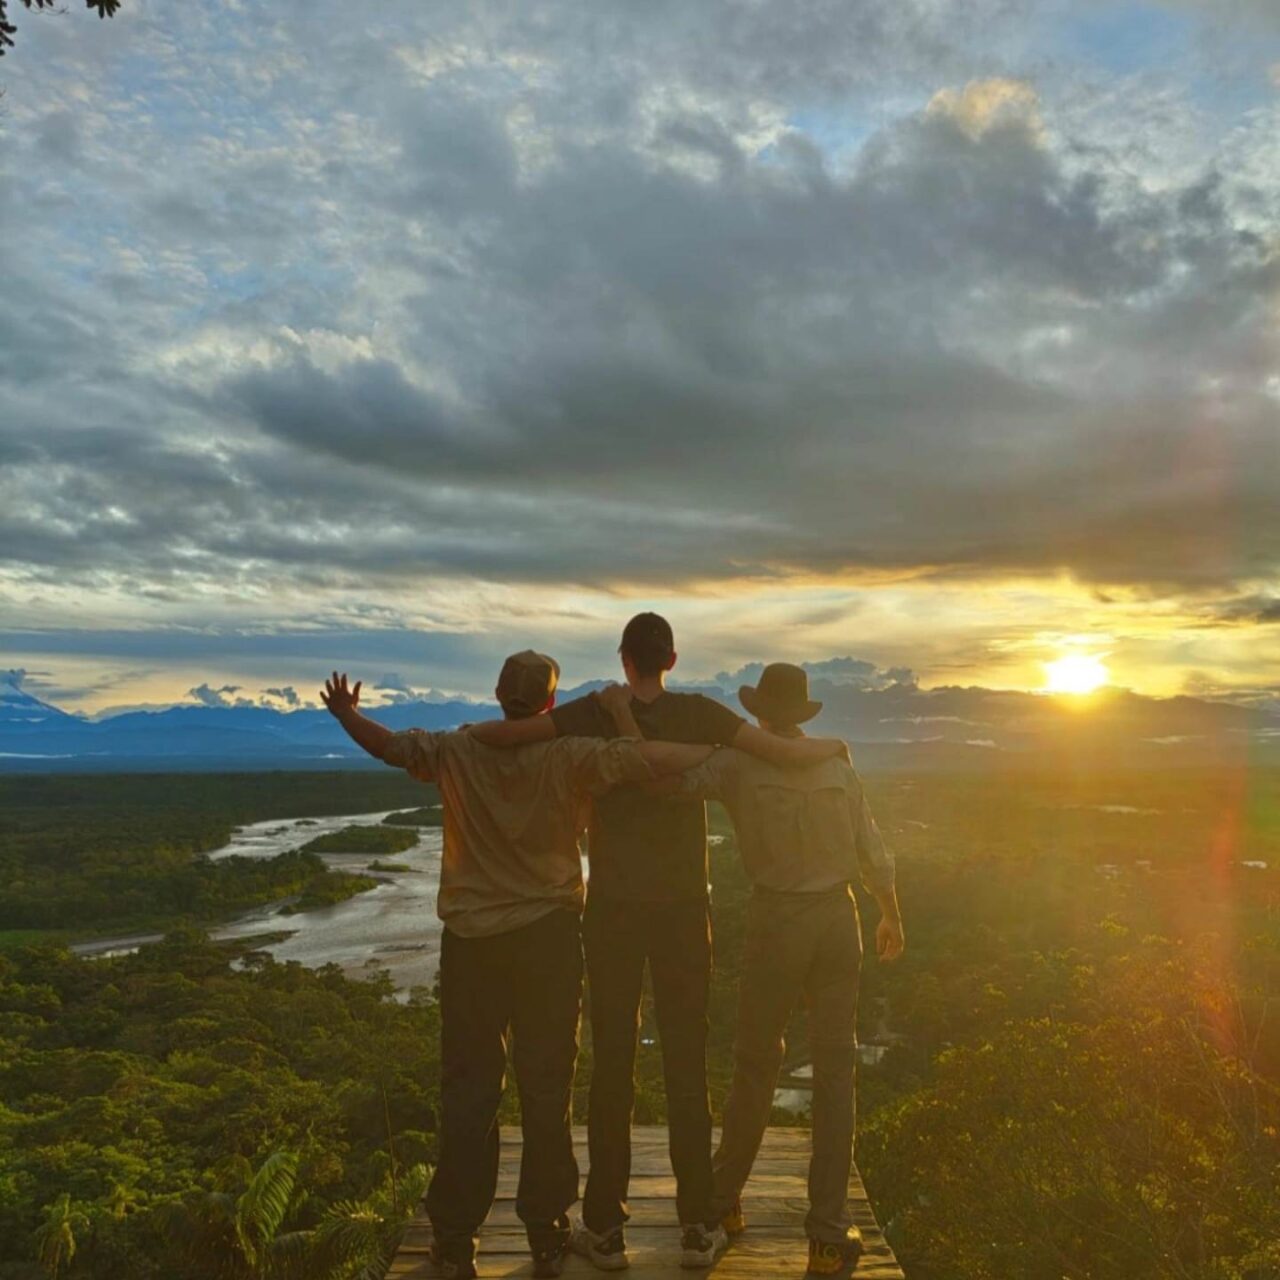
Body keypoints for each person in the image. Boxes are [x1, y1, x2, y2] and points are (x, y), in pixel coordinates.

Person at [467, 615, 850, 1270]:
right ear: (671, 659)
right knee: (686, 1066)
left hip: (613, 910)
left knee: (612, 1067)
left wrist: (461, 739)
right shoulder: (701, 715)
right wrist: (835, 747)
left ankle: (605, 1230)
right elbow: (779, 752)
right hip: (683, 911)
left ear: (625, 659)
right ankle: (698, 1226)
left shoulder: (593, 711)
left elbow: (511, 735)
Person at [320, 654, 715, 1280]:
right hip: (547, 939)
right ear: (550, 705)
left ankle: (456, 1239)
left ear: (499, 694)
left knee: (469, 1089)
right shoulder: (568, 755)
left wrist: (347, 714)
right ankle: (547, 1231)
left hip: (472, 941)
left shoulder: (458, 749)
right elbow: (641, 762)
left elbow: (390, 747)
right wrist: (697, 742)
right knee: (547, 1087)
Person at [613, 661, 903, 1280]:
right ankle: (827, 1235)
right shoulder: (836, 765)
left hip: (778, 919)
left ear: (760, 713)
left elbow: (664, 783)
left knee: (755, 1062)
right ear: (803, 712)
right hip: (839, 918)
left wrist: (626, 730)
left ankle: (724, 1200)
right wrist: (891, 914)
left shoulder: (738, 765)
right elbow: (872, 848)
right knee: (836, 1073)